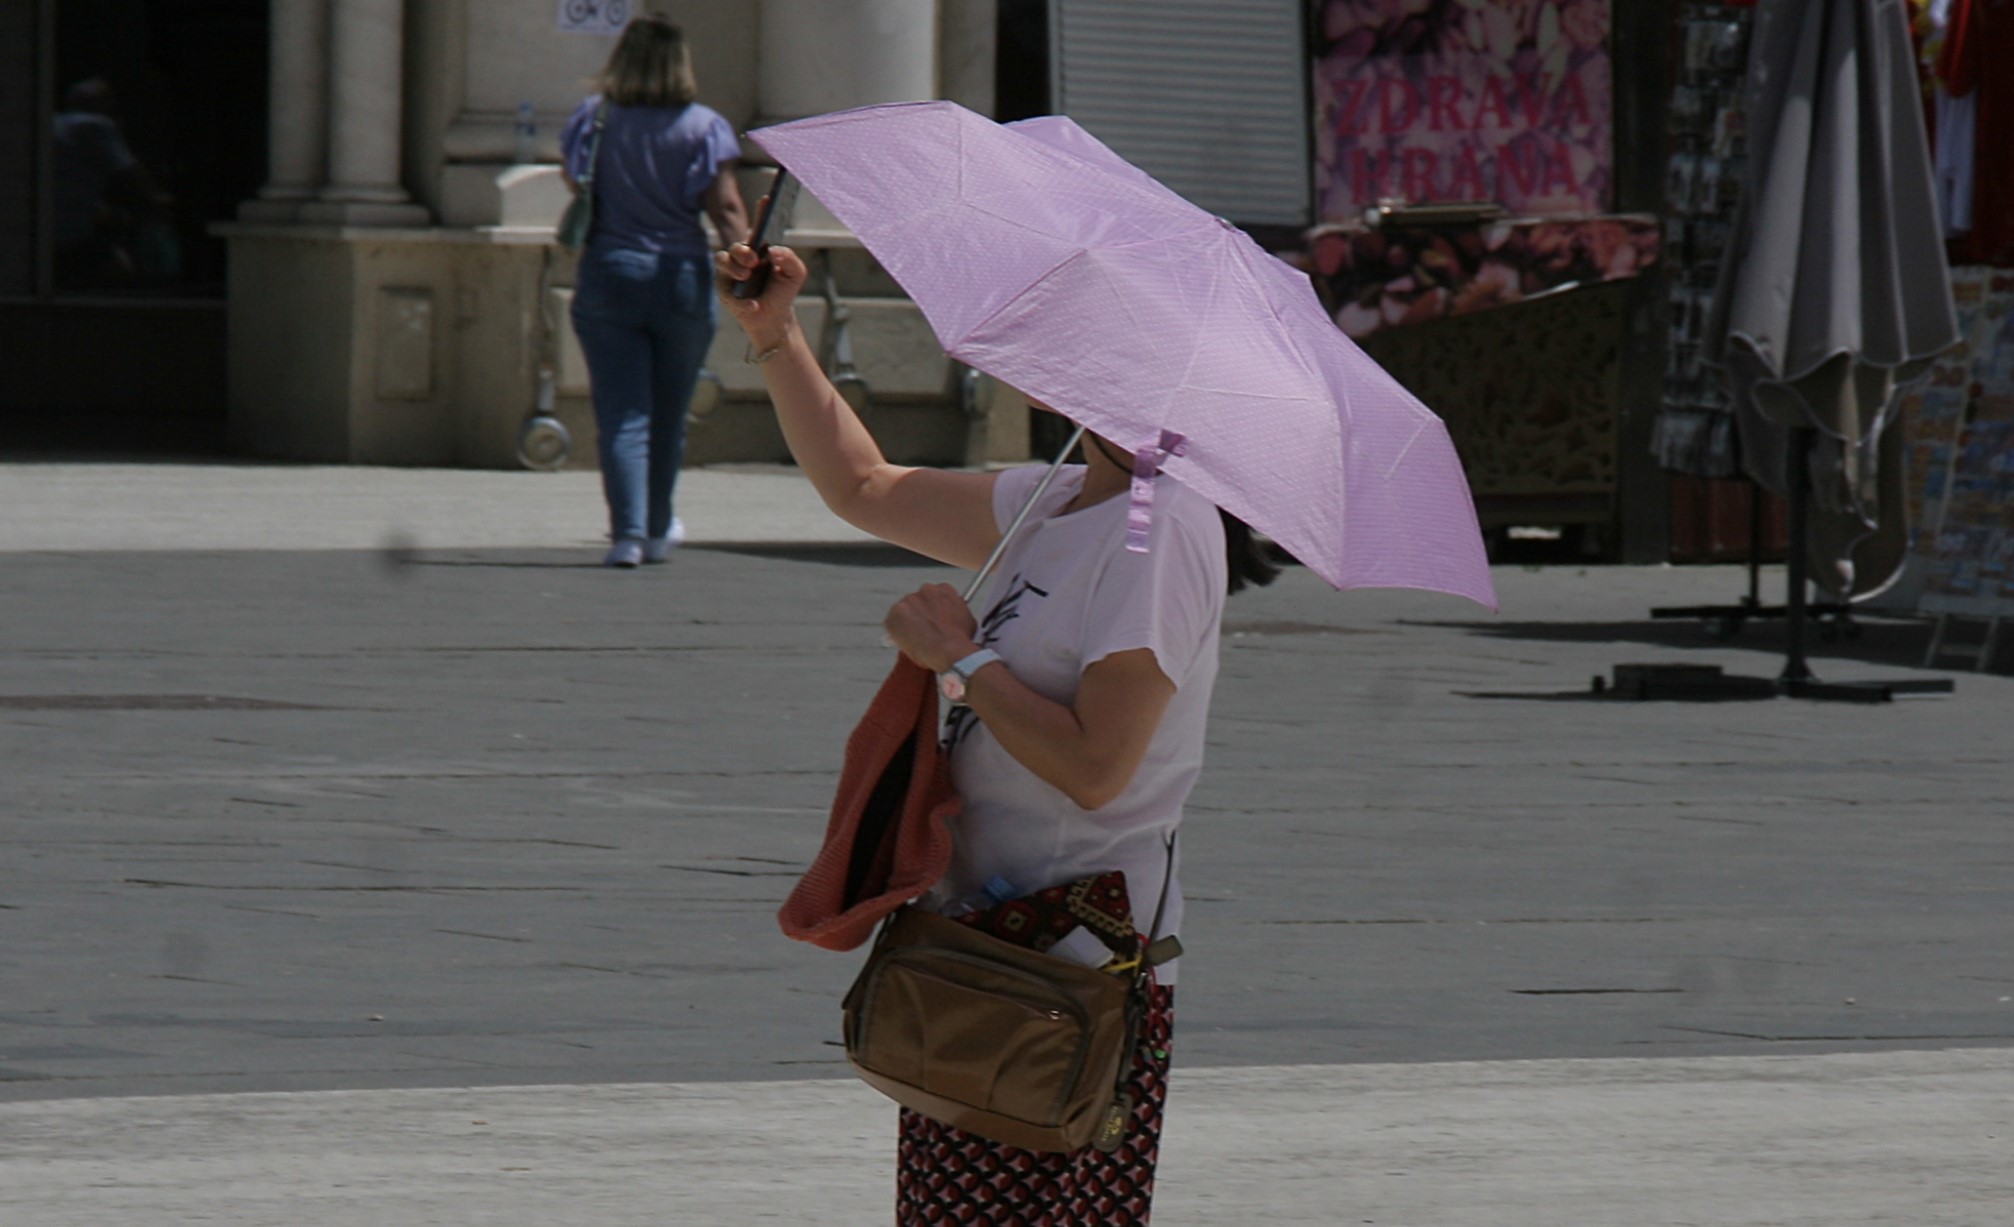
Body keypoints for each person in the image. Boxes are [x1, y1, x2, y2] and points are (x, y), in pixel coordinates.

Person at [717, 236, 1277, 1225]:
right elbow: (865, 489)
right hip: (974, 940)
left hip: (1068, 967)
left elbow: (1097, 768)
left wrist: (964, 664)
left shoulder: (1161, 530)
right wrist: (773, 334)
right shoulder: (1058, 501)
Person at [561, 18, 749, 567]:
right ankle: (659, 529)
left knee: (623, 414)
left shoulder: (592, 119)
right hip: (680, 278)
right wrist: (748, 269)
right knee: (669, 415)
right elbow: (727, 208)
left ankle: (626, 534)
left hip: (609, 271)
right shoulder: (704, 127)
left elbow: (578, 183)